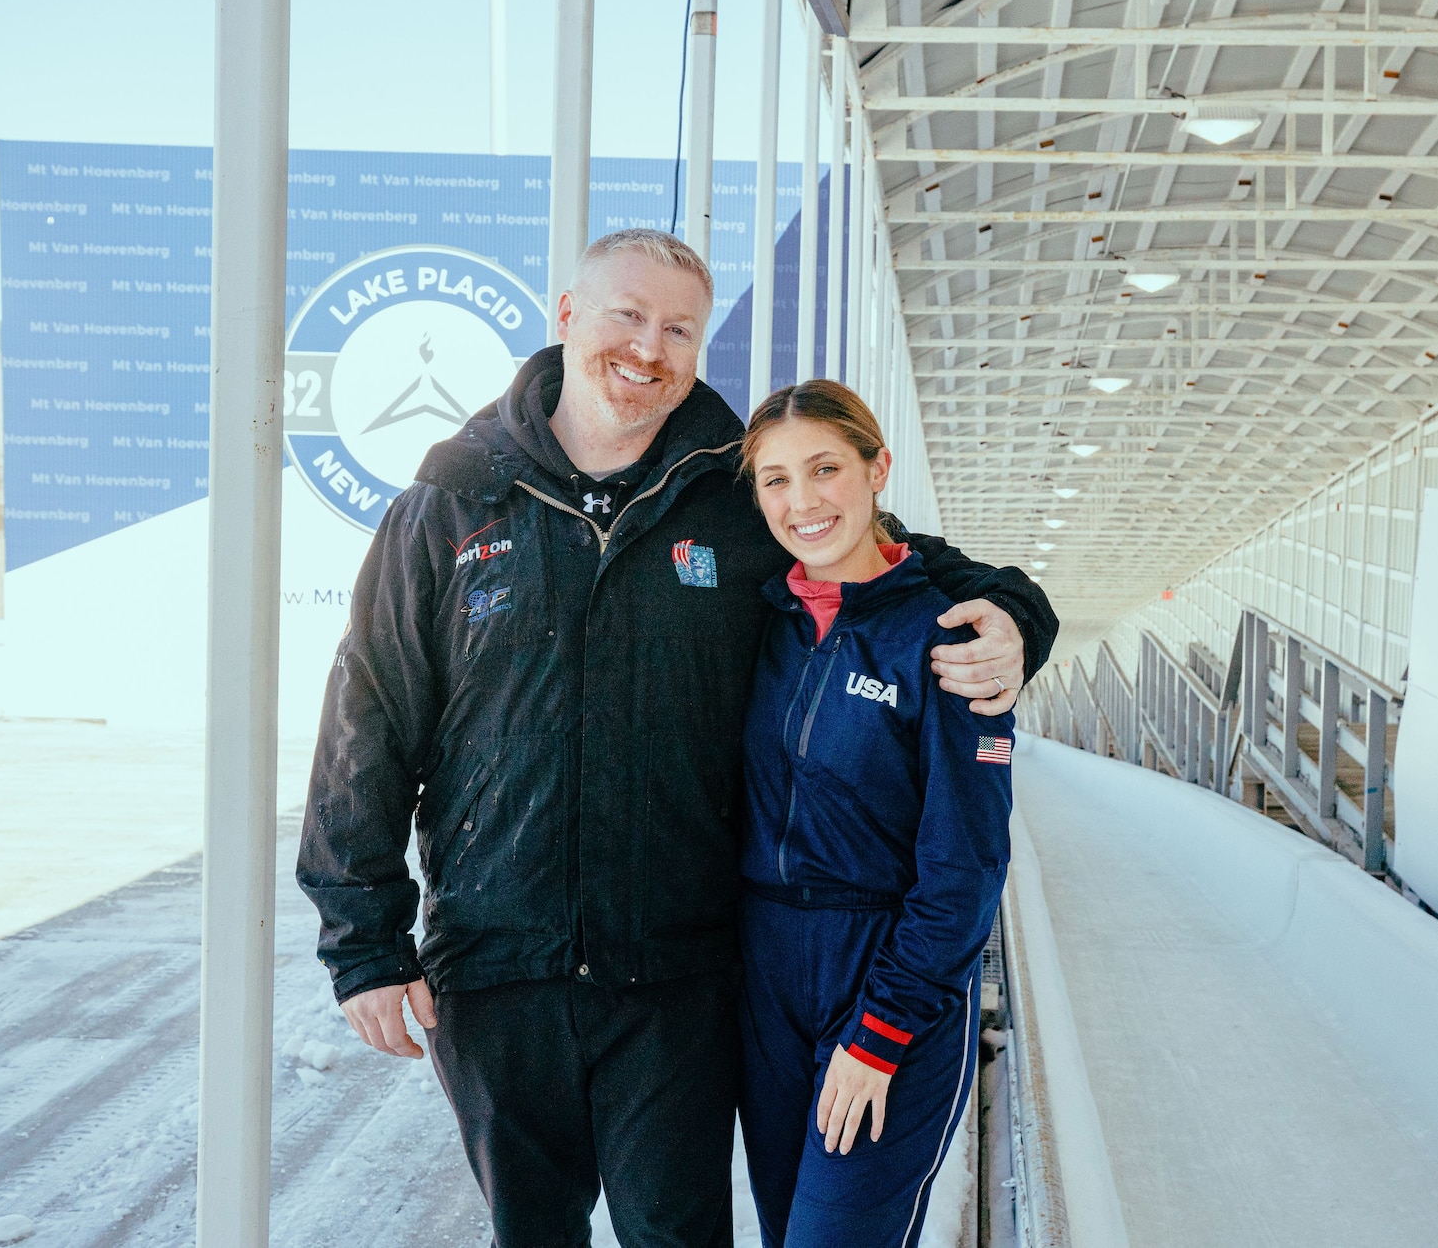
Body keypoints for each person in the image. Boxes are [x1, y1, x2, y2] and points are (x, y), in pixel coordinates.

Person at [297, 229, 1055, 1248]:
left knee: (677, 1231)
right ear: (568, 316)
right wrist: (363, 939)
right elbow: (369, 713)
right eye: (626, 315)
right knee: (531, 1231)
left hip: (681, 973)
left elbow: (898, 563)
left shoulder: (740, 497)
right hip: (496, 958)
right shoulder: (453, 498)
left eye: (678, 328)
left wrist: (1015, 616)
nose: (648, 346)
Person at [733, 381, 1013, 1248]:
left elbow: (965, 866)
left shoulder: (951, 636)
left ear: (876, 467)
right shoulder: (756, 621)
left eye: (825, 469)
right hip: (766, 979)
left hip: (890, 977)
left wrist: (883, 1028)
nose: (803, 501)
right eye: (775, 480)